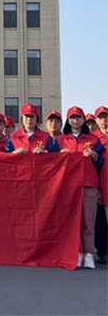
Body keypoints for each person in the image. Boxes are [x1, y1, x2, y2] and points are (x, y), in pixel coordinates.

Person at [57, 106, 103, 269]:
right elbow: (52, 162)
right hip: (69, 185)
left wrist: (94, 155)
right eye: (72, 118)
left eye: (78, 117)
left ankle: (88, 254)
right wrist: (60, 155)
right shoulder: (60, 140)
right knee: (73, 221)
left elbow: (100, 162)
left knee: (88, 221)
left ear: (83, 120)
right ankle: (77, 253)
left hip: (88, 183)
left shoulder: (93, 139)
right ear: (68, 120)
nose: (75, 120)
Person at [92, 106, 108, 264]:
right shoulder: (93, 139)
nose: (104, 120)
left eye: (106, 117)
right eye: (100, 117)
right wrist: (96, 188)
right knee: (100, 222)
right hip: (100, 186)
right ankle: (103, 252)